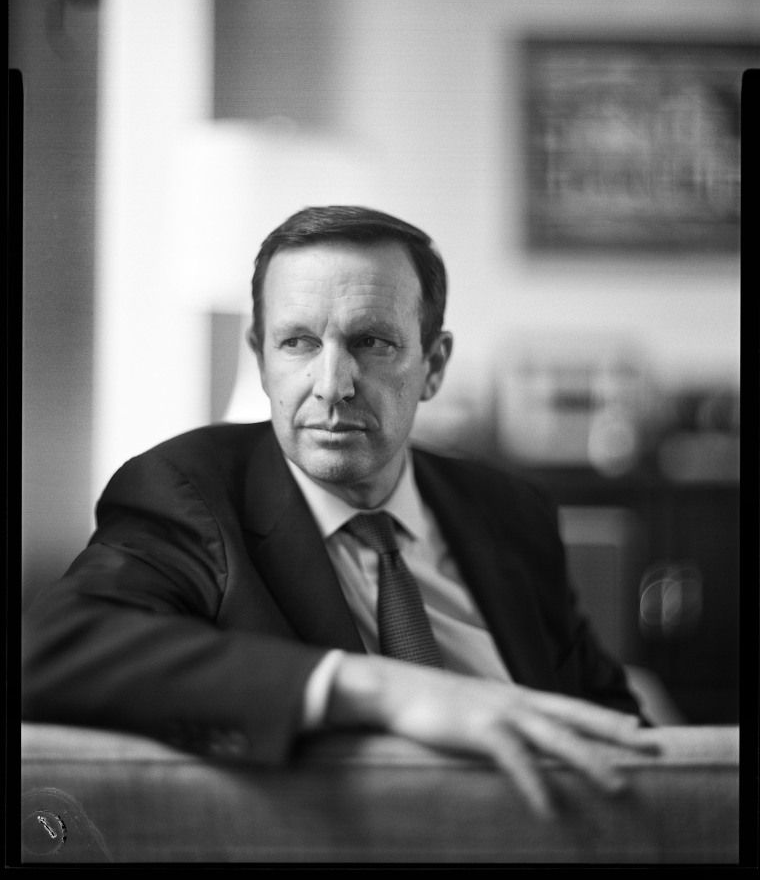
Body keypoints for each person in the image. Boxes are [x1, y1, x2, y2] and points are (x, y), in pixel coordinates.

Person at [22, 205, 655, 819]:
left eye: (373, 342)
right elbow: (52, 651)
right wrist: (377, 688)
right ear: (262, 358)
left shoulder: (510, 508)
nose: (332, 383)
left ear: (433, 365)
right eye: (297, 342)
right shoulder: (186, 491)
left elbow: (615, 724)